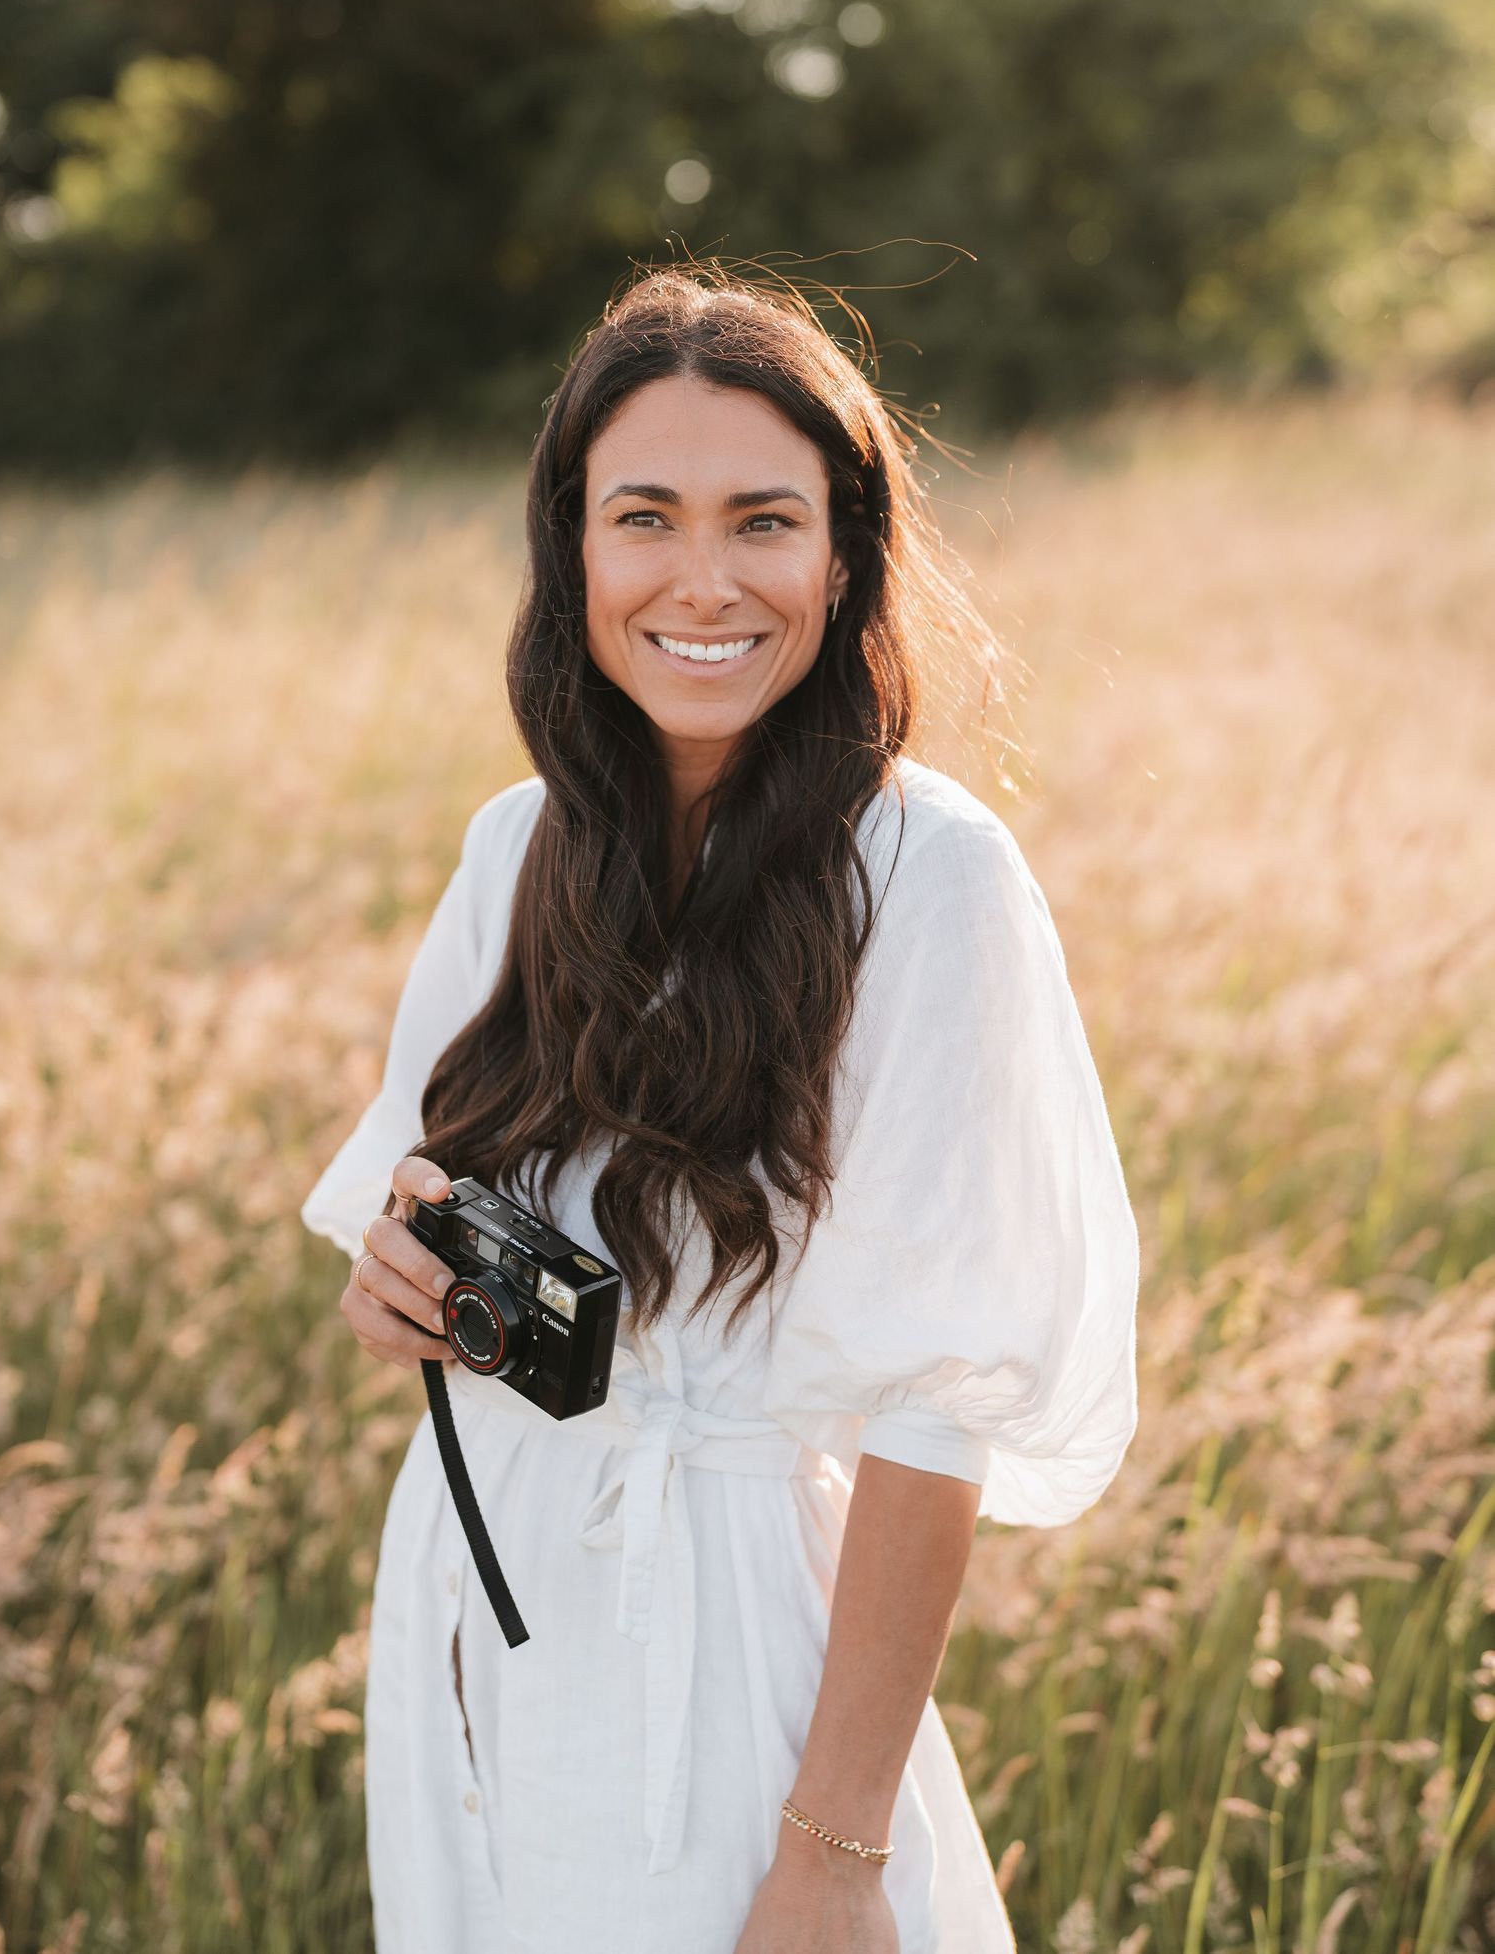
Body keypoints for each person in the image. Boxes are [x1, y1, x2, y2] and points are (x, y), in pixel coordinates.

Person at [299, 263, 1142, 1953]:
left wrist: (832, 1852)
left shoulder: (932, 877)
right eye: (645, 517)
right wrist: (397, 1280)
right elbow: (416, 1199)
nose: (702, 579)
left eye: (764, 520)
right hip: (479, 1604)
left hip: (743, 1647)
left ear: (844, 560)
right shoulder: (517, 849)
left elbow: (930, 1415)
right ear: (576, 551)